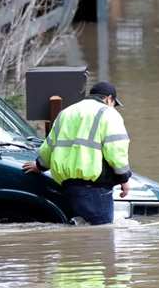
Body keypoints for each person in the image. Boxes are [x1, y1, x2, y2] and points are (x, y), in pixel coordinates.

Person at [22, 81, 131, 225]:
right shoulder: (108, 113)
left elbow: (50, 144)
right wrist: (124, 178)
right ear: (109, 98)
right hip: (95, 186)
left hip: (68, 186)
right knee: (101, 237)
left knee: (81, 231)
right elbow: (116, 150)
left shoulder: (67, 112)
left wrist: (39, 165)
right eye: (114, 103)